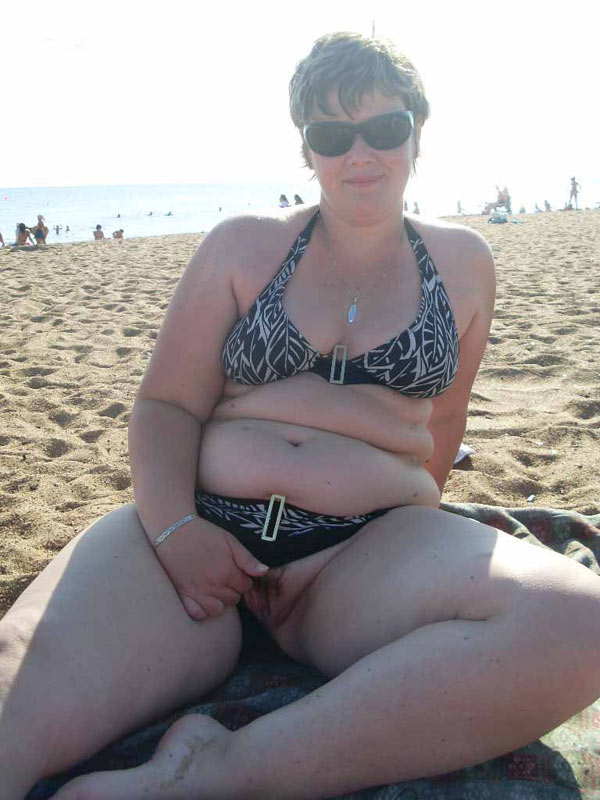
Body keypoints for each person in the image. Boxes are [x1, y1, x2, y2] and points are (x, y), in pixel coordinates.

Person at [1, 31, 600, 800]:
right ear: (306, 146)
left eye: (384, 127)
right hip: (195, 538)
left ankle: (216, 773)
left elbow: (442, 427)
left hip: (357, 561)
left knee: (580, 623)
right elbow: (165, 403)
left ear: (419, 131)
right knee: (17, 686)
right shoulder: (242, 246)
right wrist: (176, 529)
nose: (361, 154)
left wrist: (404, 540)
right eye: (332, 135)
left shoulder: (463, 263)